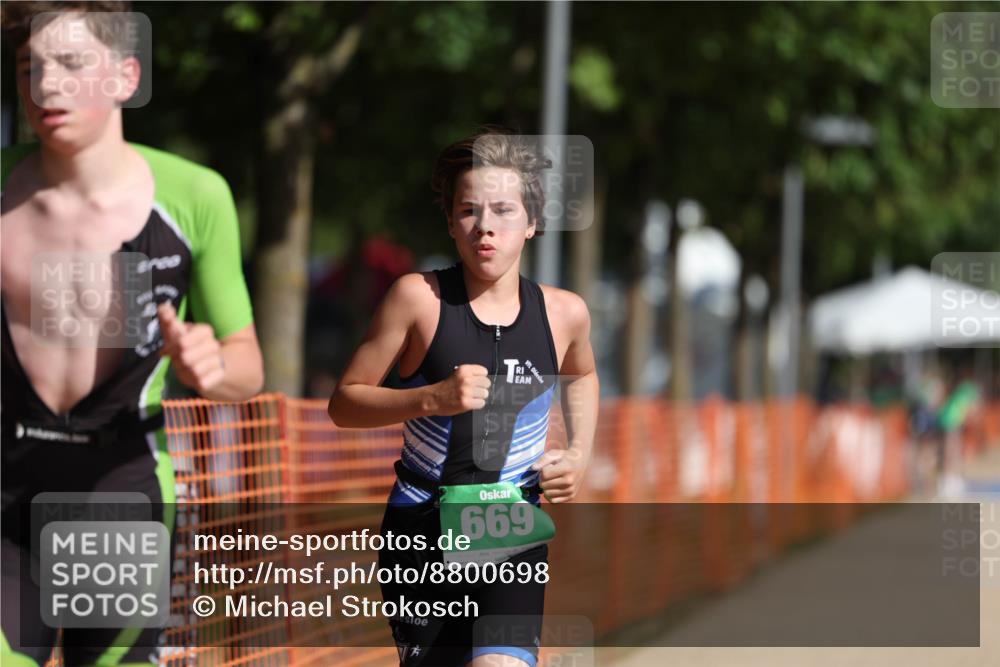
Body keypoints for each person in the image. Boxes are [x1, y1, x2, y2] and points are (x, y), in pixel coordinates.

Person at [1, 3, 264, 665]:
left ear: (124, 77)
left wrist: (212, 367)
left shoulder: (193, 195)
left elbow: (246, 368)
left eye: (70, 64)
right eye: (29, 68)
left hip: (120, 491)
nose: (46, 85)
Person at [328, 129, 600, 667]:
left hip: (511, 526)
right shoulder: (417, 299)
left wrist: (579, 454)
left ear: (533, 223)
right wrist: (429, 399)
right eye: (469, 210)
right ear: (451, 222)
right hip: (420, 526)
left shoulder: (564, 313)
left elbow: (583, 376)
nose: (486, 226)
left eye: (504, 210)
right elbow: (345, 403)